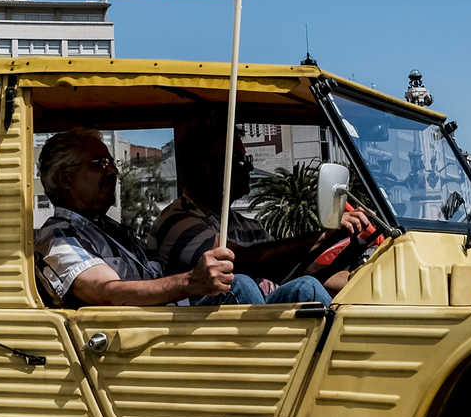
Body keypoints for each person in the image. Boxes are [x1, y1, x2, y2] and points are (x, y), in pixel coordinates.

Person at [32, 128, 327, 308]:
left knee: (307, 289)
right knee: (239, 286)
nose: (113, 172)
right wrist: (190, 281)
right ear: (66, 178)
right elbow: (105, 291)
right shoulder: (57, 236)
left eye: (111, 163)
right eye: (100, 164)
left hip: (171, 321)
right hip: (142, 344)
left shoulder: (115, 231)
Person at [151, 119, 376, 299]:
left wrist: (360, 276)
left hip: (265, 314)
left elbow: (288, 266)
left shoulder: (245, 224)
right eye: (240, 161)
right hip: (214, 330)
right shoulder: (179, 221)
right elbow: (242, 259)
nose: (249, 167)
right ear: (205, 167)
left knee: (316, 287)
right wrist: (320, 236)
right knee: (257, 286)